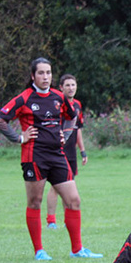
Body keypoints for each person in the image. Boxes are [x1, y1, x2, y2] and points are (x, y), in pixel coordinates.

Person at [0, 57, 102, 260]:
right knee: (35, 201)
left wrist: (65, 134)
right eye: (41, 73)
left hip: (57, 156)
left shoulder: (59, 97)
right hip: (34, 157)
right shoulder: (25, 98)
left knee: (74, 200)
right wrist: (18, 138)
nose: (45, 77)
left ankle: (77, 249)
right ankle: (39, 251)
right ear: (33, 76)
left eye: (49, 73)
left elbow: (72, 116)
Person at [44, 74, 88, 230]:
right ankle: (51, 221)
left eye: (73, 85)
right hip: (57, 151)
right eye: (67, 85)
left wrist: (82, 151)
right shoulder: (55, 104)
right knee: (56, 187)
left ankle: (67, 221)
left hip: (71, 153)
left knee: (69, 187)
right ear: (61, 88)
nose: (71, 88)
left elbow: (78, 130)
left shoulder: (77, 105)